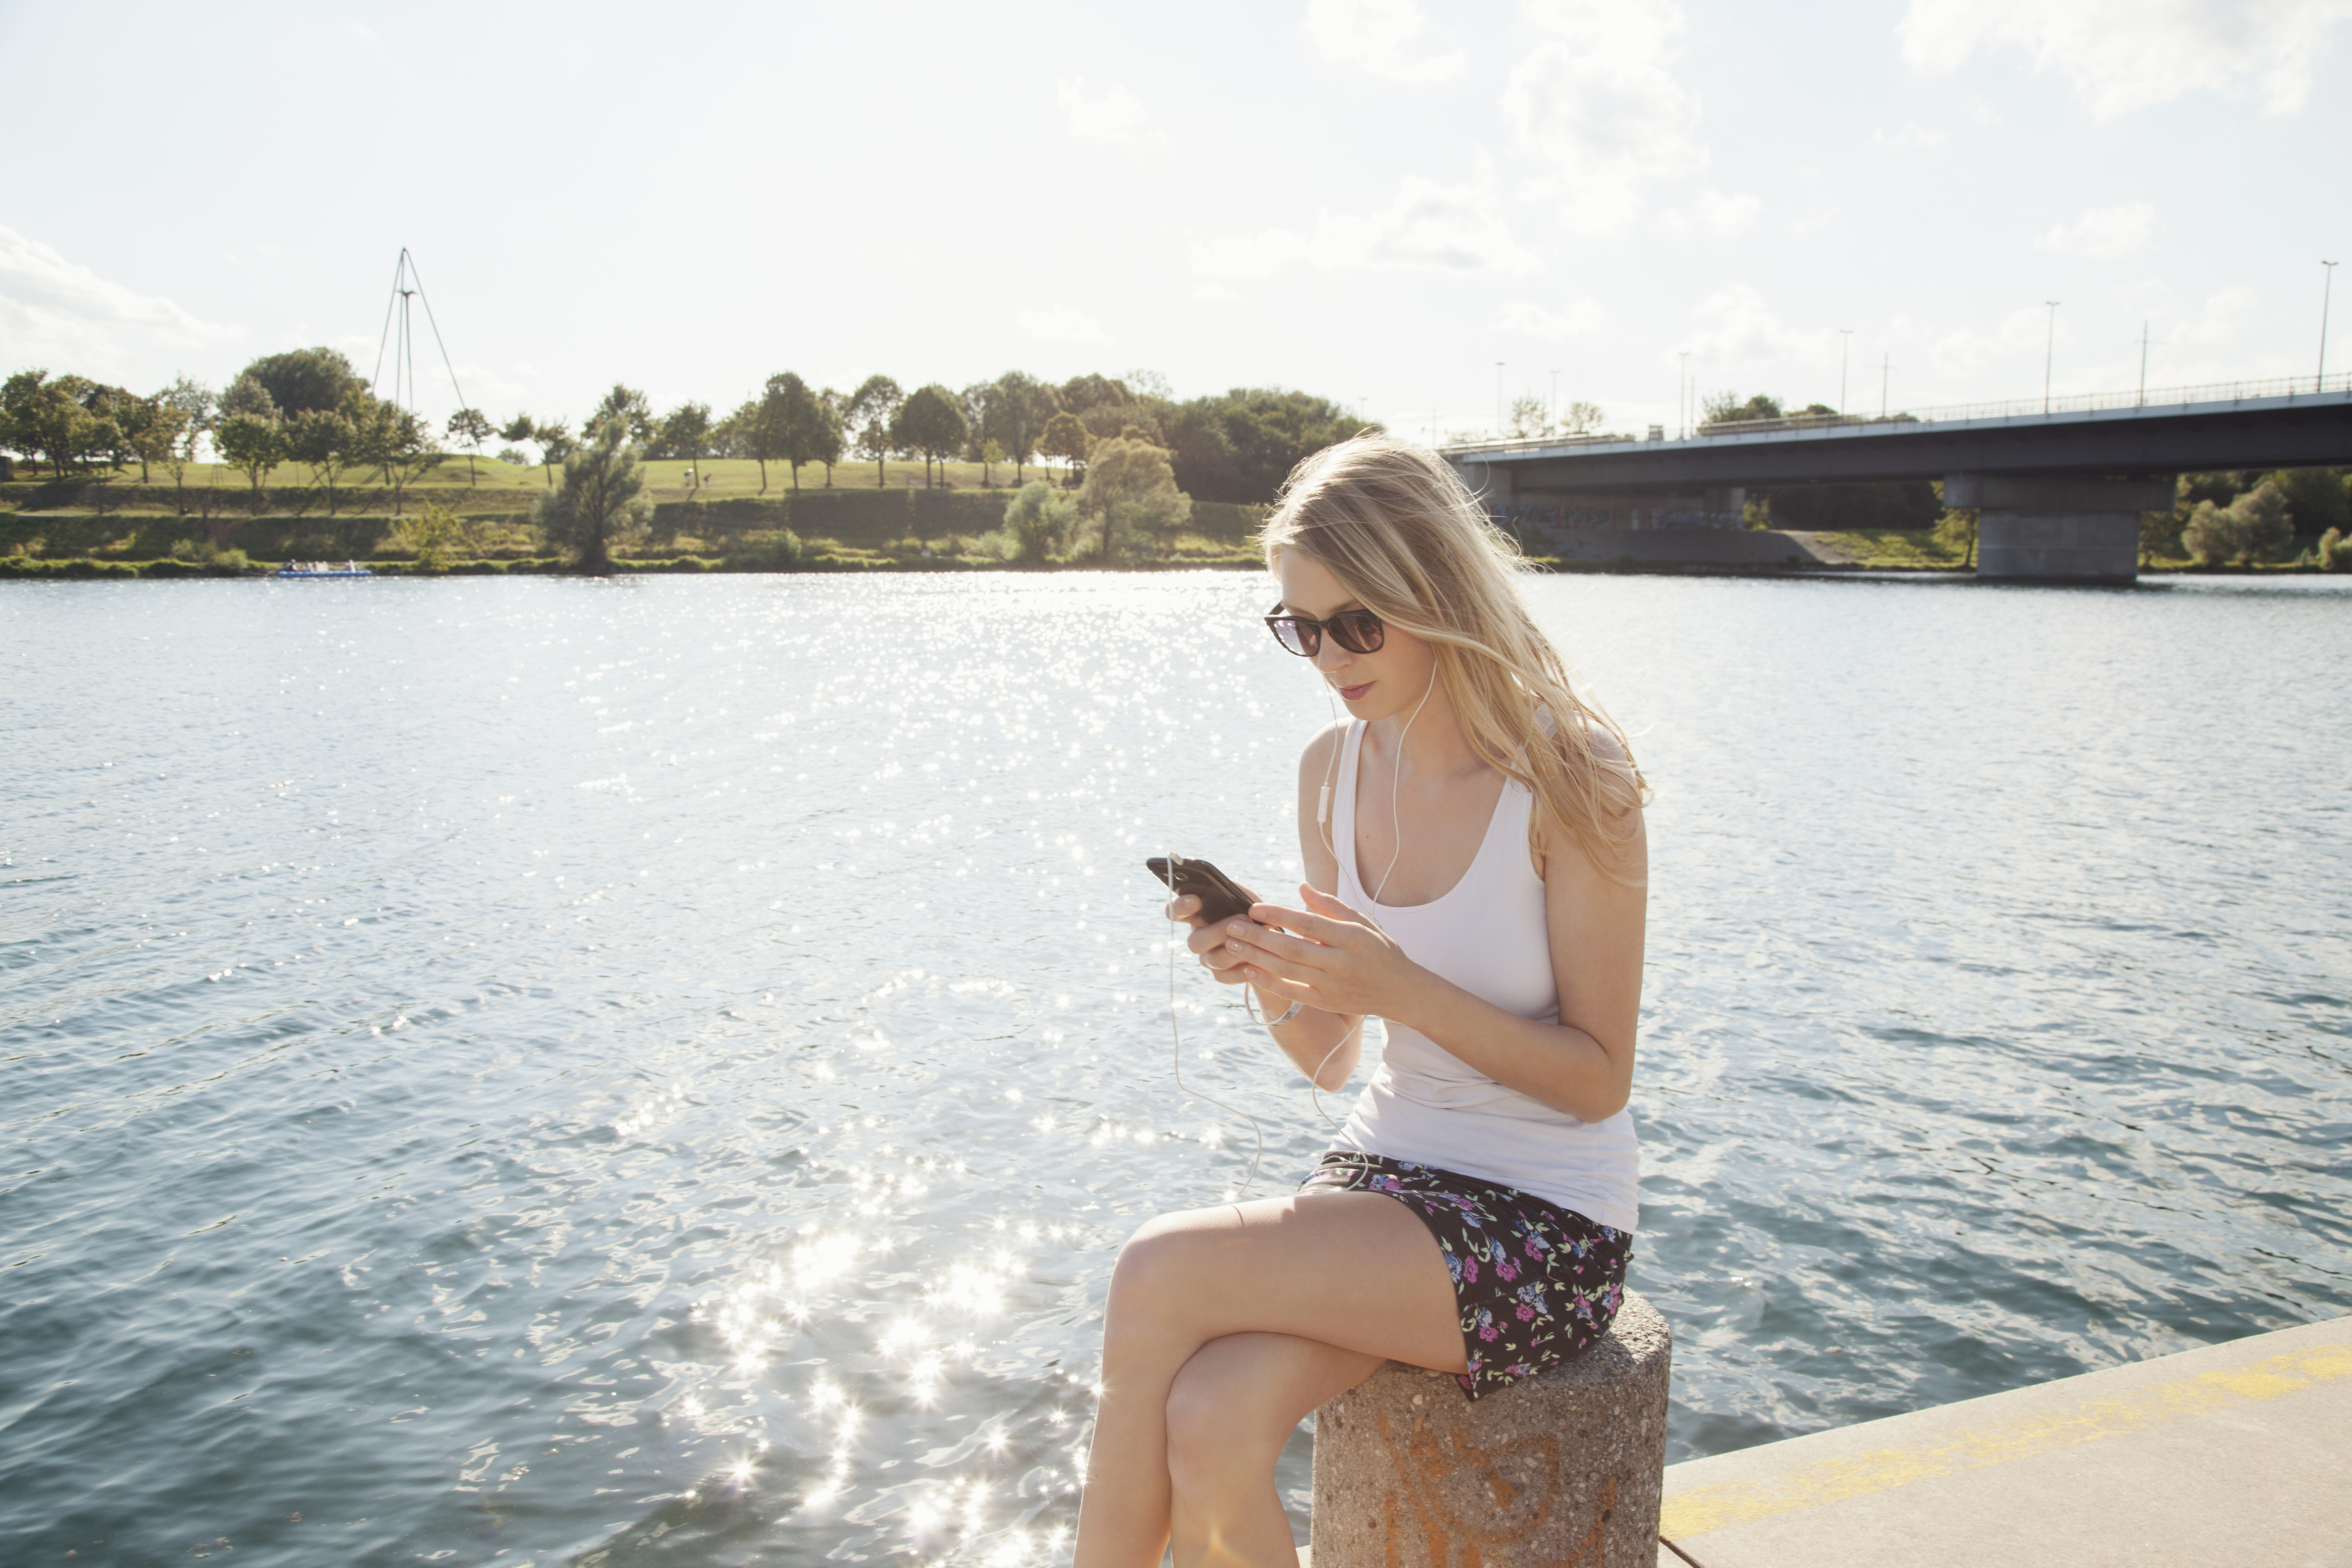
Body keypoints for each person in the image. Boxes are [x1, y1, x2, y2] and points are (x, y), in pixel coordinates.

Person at [1074, 435, 1649, 1567]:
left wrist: (1406, 990)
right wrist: (1267, 977)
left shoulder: (1577, 777)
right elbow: (1335, 1060)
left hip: (1548, 1218)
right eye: (1301, 626)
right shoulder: (1329, 775)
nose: (1329, 656)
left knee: (1154, 1268)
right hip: (1386, 1175)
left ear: (1432, 588)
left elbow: (1598, 1079)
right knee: (1209, 1416)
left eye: (1357, 624)